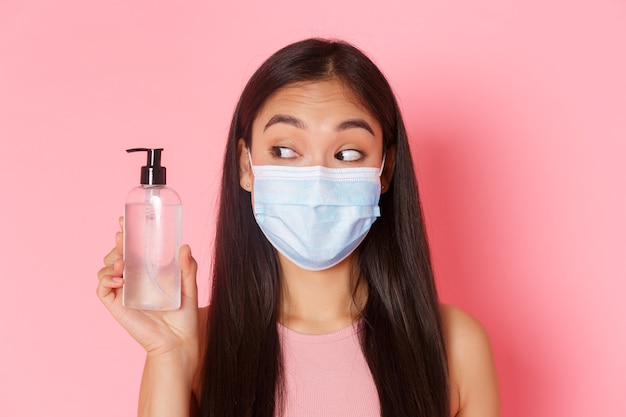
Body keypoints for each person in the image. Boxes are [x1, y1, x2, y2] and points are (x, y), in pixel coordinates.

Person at [97, 38, 499, 417]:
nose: (318, 179)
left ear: (385, 170)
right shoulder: (192, 343)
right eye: (285, 150)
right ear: (245, 165)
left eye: (348, 153)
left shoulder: (455, 345)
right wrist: (168, 353)